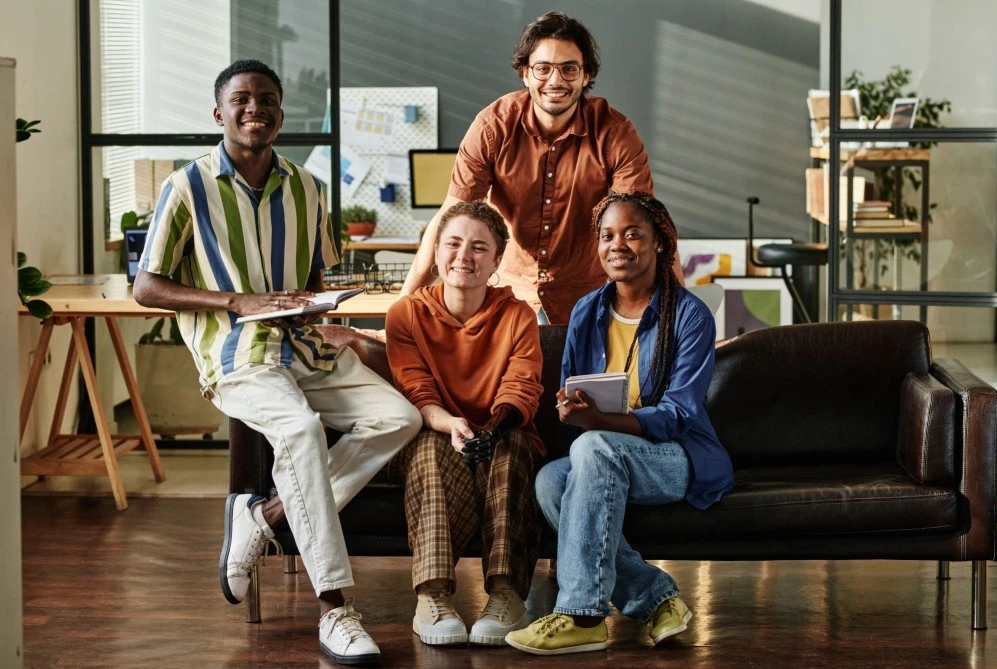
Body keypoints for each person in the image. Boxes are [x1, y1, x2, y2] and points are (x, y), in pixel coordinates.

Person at [132, 59, 421, 666]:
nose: (254, 108)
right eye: (241, 99)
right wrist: (237, 301)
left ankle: (263, 515)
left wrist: (314, 305)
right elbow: (147, 288)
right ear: (219, 113)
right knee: (299, 430)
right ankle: (337, 609)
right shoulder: (186, 187)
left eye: (266, 98)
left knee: (399, 418)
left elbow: (317, 275)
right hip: (237, 356)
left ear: (281, 114)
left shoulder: (308, 188)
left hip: (304, 347)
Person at [505, 192, 734, 655]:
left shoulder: (689, 316)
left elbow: (678, 416)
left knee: (591, 448)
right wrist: (571, 408)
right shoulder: (588, 311)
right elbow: (573, 389)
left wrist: (601, 421)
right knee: (551, 479)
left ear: (659, 245)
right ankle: (655, 598)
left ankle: (583, 614)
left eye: (633, 234)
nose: (618, 245)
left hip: (678, 457)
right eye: (607, 235)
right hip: (608, 454)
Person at [401, 11, 682, 325]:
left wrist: (679, 318)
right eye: (543, 68)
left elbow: (648, 222)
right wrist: (401, 312)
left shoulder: (613, 131)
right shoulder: (492, 126)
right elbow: (450, 218)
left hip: (585, 296)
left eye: (569, 69)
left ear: (586, 75)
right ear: (525, 73)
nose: (556, 81)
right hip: (508, 294)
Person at [384, 201, 546, 647]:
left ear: (496, 262)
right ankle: (432, 597)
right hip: (437, 431)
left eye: (479, 248)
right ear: (436, 253)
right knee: (428, 451)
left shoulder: (517, 315)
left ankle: (507, 595)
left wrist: (490, 431)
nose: (463, 257)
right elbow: (416, 391)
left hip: (502, 429)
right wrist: (451, 423)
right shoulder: (406, 315)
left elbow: (523, 386)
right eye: (453, 244)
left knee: (512, 452)